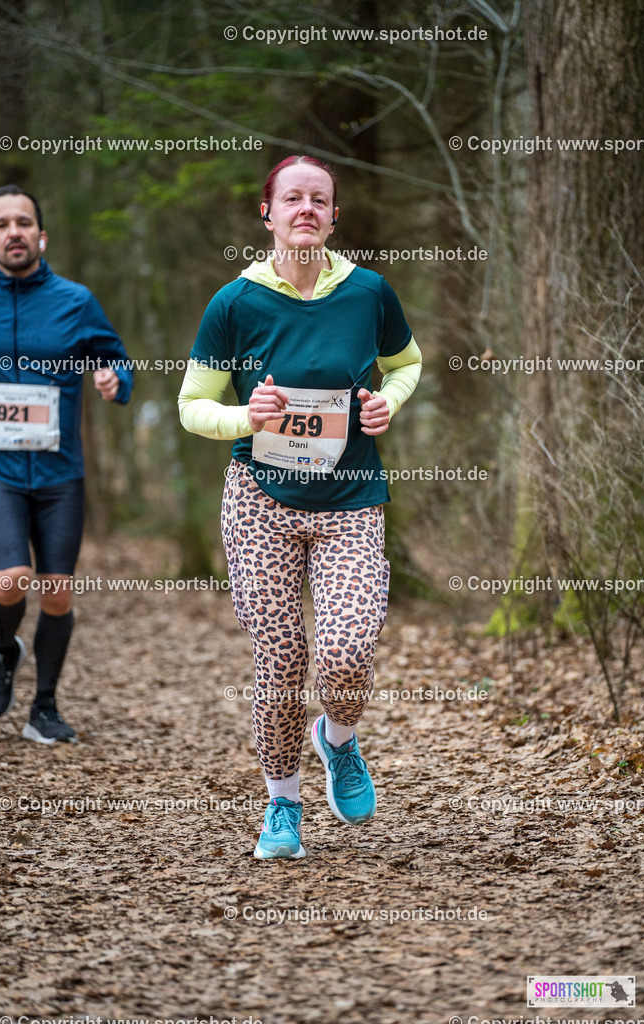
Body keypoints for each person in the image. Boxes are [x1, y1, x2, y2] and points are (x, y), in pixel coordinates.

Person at [178, 155, 421, 858]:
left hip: (349, 499)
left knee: (346, 655)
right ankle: (281, 806)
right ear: (269, 212)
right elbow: (192, 406)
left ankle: (337, 740)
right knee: (281, 659)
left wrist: (386, 404)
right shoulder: (235, 302)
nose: (306, 209)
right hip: (259, 500)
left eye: (319, 199)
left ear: (333, 215)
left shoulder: (369, 293)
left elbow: (406, 365)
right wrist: (243, 418)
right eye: (293, 199)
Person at [0, 184, 133, 743]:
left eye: (23, 222)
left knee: (58, 592)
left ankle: (44, 707)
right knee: (12, 579)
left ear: (41, 235)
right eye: (1, 225)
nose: (13, 232)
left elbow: (114, 357)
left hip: (60, 474)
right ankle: (4, 649)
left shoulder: (75, 301)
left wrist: (115, 379)